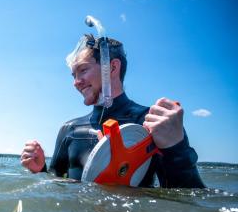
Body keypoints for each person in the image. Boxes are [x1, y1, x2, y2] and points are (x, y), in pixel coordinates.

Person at [21, 34, 205, 188]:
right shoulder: (69, 130)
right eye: (73, 75)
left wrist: (177, 148)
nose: (76, 82)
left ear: (113, 68)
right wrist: (41, 170)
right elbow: (56, 187)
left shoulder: (154, 122)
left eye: (83, 70)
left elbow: (187, 200)